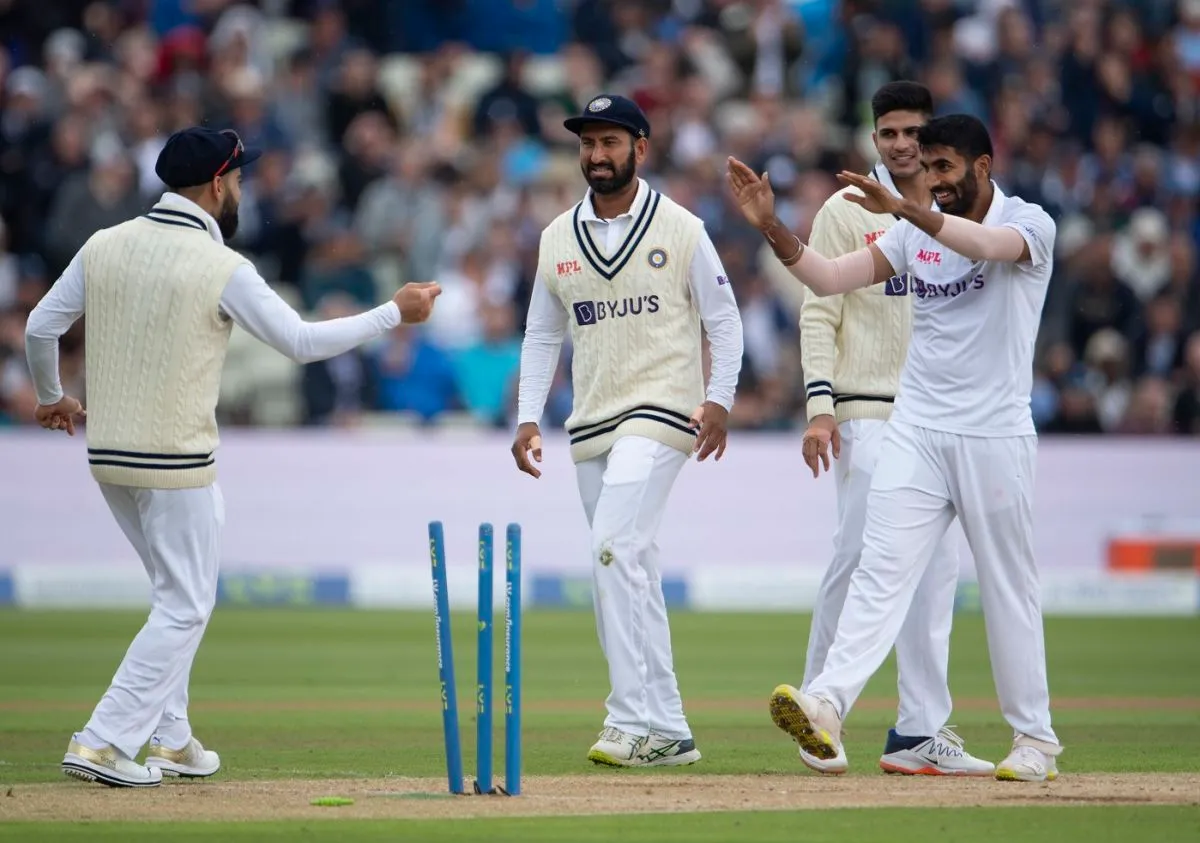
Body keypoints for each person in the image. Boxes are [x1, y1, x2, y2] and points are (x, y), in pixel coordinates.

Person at [24, 127, 441, 788]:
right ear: (218, 183)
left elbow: (39, 325)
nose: (241, 189)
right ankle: (104, 739)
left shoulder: (105, 243)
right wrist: (393, 311)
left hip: (107, 456)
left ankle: (172, 736)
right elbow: (300, 341)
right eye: (239, 178)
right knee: (187, 604)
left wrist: (53, 397)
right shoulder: (222, 266)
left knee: (176, 592)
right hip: (174, 457)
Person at [727, 113, 1063, 783]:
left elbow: (987, 247)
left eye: (945, 168)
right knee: (880, 573)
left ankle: (1034, 739)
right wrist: (771, 227)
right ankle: (825, 702)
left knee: (1007, 586)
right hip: (917, 427)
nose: (933, 180)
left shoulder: (1030, 224)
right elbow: (825, 279)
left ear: (983, 167)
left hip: (993, 432)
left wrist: (910, 211)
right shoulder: (914, 231)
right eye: (926, 167)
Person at [511, 94, 743, 767]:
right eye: (588, 144)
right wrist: (529, 415)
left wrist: (718, 398)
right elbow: (540, 332)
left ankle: (629, 719)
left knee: (612, 546)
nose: (597, 155)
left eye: (611, 143)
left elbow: (723, 320)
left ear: (641, 148)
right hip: (591, 419)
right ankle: (668, 726)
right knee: (626, 562)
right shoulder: (558, 236)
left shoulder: (683, 227)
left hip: (664, 408)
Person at [792, 82, 992, 777]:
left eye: (913, 132)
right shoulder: (846, 209)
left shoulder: (955, 213)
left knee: (936, 570)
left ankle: (916, 730)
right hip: (867, 406)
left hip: (938, 415)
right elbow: (819, 309)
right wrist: (820, 406)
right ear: (875, 140)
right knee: (861, 554)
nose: (902, 144)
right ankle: (818, 708)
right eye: (889, 134)